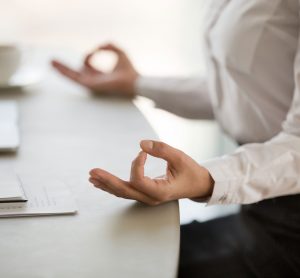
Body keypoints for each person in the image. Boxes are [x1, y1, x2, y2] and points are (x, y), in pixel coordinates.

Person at [52, 0, 300, 276]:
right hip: (259, 213)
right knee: (116, 254)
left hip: (290, 231)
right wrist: (136, 83)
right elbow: (242, 96)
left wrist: (207, 179)